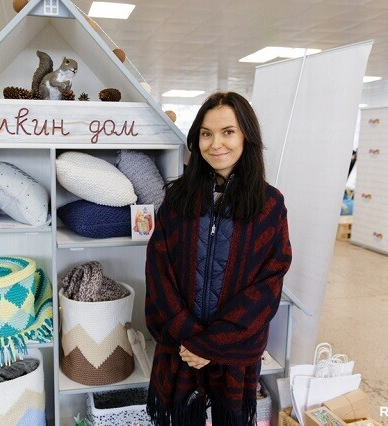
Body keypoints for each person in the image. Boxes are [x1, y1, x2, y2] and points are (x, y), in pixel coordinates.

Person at [145, 91, 292, 426]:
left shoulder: (269, 205)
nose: (215, 144)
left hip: (233, 348)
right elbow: (158, 269)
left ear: (246, 136)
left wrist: (211, 344)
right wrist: (189, 337)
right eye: (206, 133)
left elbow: (270, 281)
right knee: (181, 416)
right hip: (182, 345)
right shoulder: (177, 198)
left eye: (228, 132)